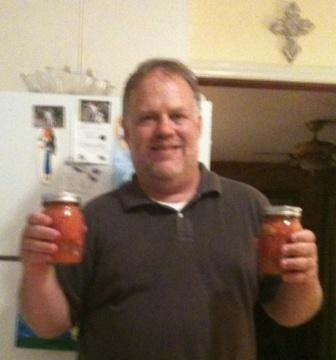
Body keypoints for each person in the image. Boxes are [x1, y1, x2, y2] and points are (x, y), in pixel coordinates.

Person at [19, 58, 323, 360]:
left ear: (198, 124)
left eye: (177, 116)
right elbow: (48, 326)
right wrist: (35, 270)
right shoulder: (94, 218)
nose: (165, 130)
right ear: (126, 131)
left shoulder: (252, 207)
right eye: (148, 118)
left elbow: (291, 315)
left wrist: (306, 278)